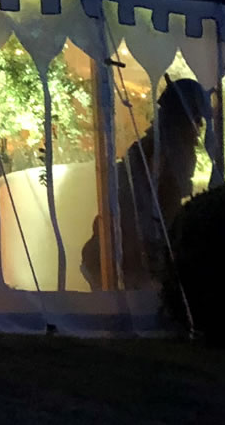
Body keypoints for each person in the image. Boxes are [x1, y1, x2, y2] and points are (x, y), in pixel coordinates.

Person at [81, 77, 210, 289]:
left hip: (130, 256)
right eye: (196, 118)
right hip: (121, 259)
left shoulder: (164, 148)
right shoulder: (160, 151)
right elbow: (155, 206)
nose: (201, 126)